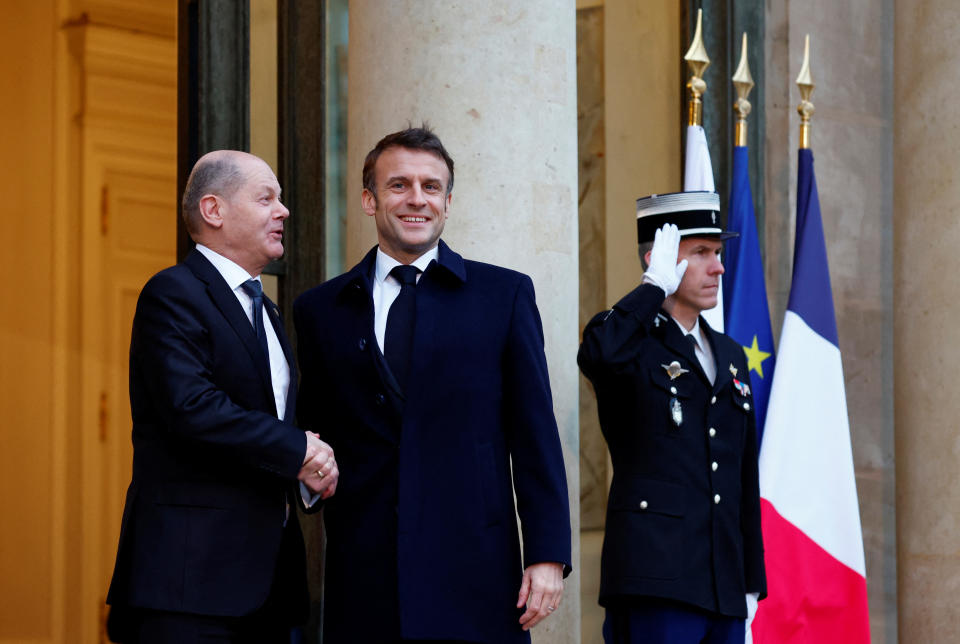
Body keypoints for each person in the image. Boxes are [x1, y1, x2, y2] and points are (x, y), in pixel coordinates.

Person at [293, 126, 572, 643]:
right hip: (365, 573)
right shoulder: (319, 309)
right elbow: (314, 430)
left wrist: (548, 554)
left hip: (477, 572)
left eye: (431, 186)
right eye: (398, 185)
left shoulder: (504, 295)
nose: (416, 199)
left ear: (448, 201)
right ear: (368, 199)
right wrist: (309, 478)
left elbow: (535, 432)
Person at [106, 150, 339, 643]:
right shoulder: (173, 293)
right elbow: (192, 407)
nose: (284, 211)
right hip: (189, 588)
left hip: (270, 590)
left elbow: (270, 424)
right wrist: (298, 449)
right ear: (214, 211)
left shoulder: (269, 313)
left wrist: (308, 470)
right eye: (266, 198)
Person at [578, 191, 766, 644]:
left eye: (718, 253)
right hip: (655, 581)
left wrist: (751, 581)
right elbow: (598, 357)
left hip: (722, 586)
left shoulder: (730, 354)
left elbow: (743, 475)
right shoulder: (626, 338)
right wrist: (651, 288)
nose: (718, 267)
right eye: (700, 253)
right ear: (658, 259)